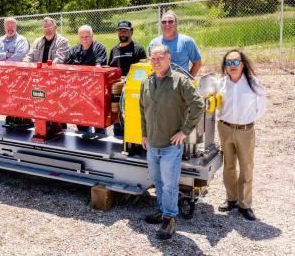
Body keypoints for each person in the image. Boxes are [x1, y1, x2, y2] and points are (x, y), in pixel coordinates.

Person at [140, 44, 204, 240]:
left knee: (169, 184)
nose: (156, 61)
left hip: (170, 146)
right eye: (153, 58)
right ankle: (162, 210)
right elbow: (142, 110)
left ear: (169, 59)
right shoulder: (146, 82)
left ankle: (170, 219)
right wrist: (144, 134)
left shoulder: (180, 81)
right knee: (158, 181)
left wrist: (184, 131)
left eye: (160, 57)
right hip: (152, 144)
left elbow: (198, 105)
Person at [217, 50, 267, 221]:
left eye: (236, 62)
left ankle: (245, 204)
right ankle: (231, 199)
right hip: (225, 128)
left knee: (246, 167)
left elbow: (261, 107)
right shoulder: (221, 84)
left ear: (243, 64)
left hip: (246, 131)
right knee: (228, 166)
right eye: (228, 62)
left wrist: (248, 121)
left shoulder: (254, 84)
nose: (232, 66)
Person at [66, 25, 107, 136]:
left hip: (95, 92)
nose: (84, 39)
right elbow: (67, 68)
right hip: (78, 92)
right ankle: (85, 143)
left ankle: (100, 144)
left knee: (98, 122)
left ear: (92, 36)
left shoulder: (99, 48)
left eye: (87, 36)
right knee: (82, 121)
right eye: (82, 37)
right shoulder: (74, 50)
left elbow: (99, 67)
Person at [108, 20, 147, 137]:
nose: (123, 33)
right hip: (118, 92)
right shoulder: (114, 50)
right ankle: (119, 144)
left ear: (131, 32)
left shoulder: (138, 49)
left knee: (133, 122)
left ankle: (133, 145)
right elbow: (110, 70)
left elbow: (143, 71)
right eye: (120, 31)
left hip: (133, 93)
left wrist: (129, 79)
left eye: (125, 31)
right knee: (118, 123)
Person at [148, 11, 202, 77]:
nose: (167, 24)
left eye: (170, 21)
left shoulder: (187, 41)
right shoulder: (153, 43)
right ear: (161, 25)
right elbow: (151, 64)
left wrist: (188, 81)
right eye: (164, 22)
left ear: (176, 24)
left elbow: (197, 63)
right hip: (160, 84)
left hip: (180, 85)